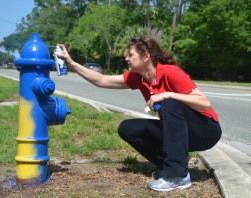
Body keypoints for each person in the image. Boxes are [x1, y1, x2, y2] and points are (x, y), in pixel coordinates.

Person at [57, 35, 222, 192]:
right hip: (179, 131)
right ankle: (176, 164)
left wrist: (167, 94)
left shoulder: (170, 72)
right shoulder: (138, 77)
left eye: (131, 54)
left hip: (206, 130)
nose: (127, 58)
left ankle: (177, 175)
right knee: (128, 128)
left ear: (145, 57)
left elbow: (205, 103)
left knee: (169, 105)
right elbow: (102, 80)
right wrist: (71, 63)